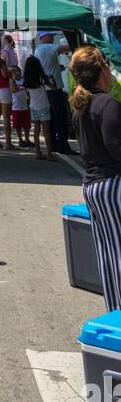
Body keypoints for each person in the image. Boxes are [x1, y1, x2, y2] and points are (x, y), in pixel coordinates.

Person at [69, 45, 121, 309]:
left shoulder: (82, 105)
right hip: (113, 185)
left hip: (93, 186)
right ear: (101, 70)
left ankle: (115, 311)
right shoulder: (108, 104)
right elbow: (117, 147)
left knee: (109, 251)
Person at [35, 30, 72, 154]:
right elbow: (68, 47)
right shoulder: (48, 47)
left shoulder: (38, 50)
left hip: (45, 89)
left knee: (50, 118)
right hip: (54, 89)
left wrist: (58, 67)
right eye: (51, 36)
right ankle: (64, 146)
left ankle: (53, 144)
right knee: (60, 118)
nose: (52, 38)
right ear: (45, 37)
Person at [21, 54, 52, 160]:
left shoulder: (26, 81)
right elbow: (54, 87)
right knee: (46, 131)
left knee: (36, 130)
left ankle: (37, 152)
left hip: (33, 106)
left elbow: (28, 95)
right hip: (44, 106)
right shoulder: (42, 78)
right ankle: (49, 154)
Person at [9, 63, 32, 148]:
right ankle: (20, 140)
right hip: (16, 108)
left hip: (25, 107)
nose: (15, 73)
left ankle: (27, 139)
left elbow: (28, 92)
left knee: (27, 125)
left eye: (16, 71)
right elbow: (12, 91)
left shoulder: (24, 81)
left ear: (20, 71)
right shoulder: (11, 81)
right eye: (12, 71)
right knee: (17, 126)